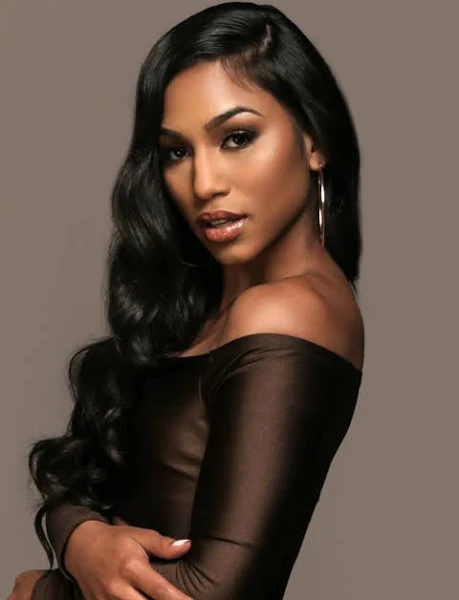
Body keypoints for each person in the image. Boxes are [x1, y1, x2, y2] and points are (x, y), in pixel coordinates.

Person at [9, 2, 364, 599]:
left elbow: (210, 593)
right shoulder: (201, 304)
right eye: (177, 151)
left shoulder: (289, 310)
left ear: (315, 140)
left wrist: (39, 591)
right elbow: (82, 487)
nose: (204, 183)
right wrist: (79, 540)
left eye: (237, 138)